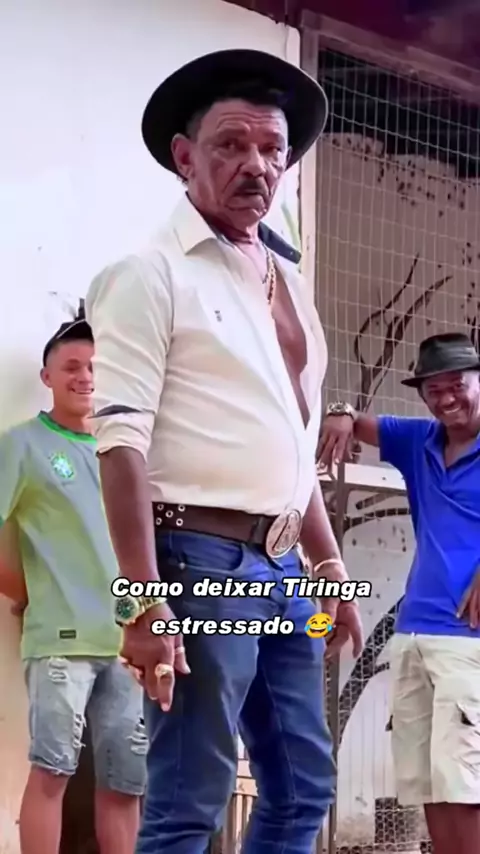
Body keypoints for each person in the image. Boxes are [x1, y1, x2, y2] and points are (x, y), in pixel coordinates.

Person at [86, 49, 363, 854]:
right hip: (197, 556)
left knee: (304, 790)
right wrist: (142, 601)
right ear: (185, 157)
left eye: (273, 149)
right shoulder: (149, 274)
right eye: (232, 145)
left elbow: (293, 445)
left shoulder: (287, 283)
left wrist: (329, 566)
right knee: (190, 799)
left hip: (282, 568)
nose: (257, 165)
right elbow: (121, 442)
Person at [318, 332, 480, 854]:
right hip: (413, 633)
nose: (446, 398)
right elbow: (357, 421)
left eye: (456, 384)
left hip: (469, 640)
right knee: (425, 780)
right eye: (433, 389)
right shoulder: (419, 440)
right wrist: (340, 412)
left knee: (466, 783)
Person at [0, 311, 147, 854]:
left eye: (93, 367)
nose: (84, 377)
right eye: (71, 367)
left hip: (131, 644)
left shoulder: (125, 453)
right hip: (59, 644)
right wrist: (28, 593)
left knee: (124, 784)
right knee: (52, 771)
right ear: (48, 377)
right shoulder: (21, 444)